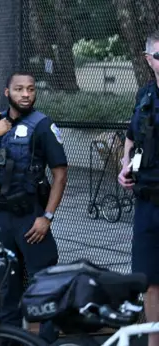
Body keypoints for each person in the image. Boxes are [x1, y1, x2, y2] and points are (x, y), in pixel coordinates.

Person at [0, 71, 68, 343]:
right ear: (7, 92)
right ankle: (10, 340)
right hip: (1, 217)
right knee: (7, 285)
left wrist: (47, 216)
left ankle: (46, 340)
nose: (26, 94)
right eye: (19, 89)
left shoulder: (43, 125)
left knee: (44, 284)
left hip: (32, 217)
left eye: (31, 89)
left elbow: (60, 174)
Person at [118, 30, 159, 346]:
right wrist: (125, 165)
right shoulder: (145, 96)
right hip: (147, 203)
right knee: (149, 280)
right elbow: (132, 137)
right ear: (149, 60)